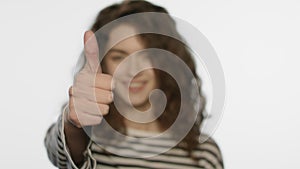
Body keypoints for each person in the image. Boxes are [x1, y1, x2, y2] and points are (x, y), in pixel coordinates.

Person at [44, 1, 224, 169]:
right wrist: (74, 124)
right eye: (118, 57)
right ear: (103, 63)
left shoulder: (202, 154)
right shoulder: (88, 138)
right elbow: (62, 152)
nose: (133, 71)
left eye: (146, 55)